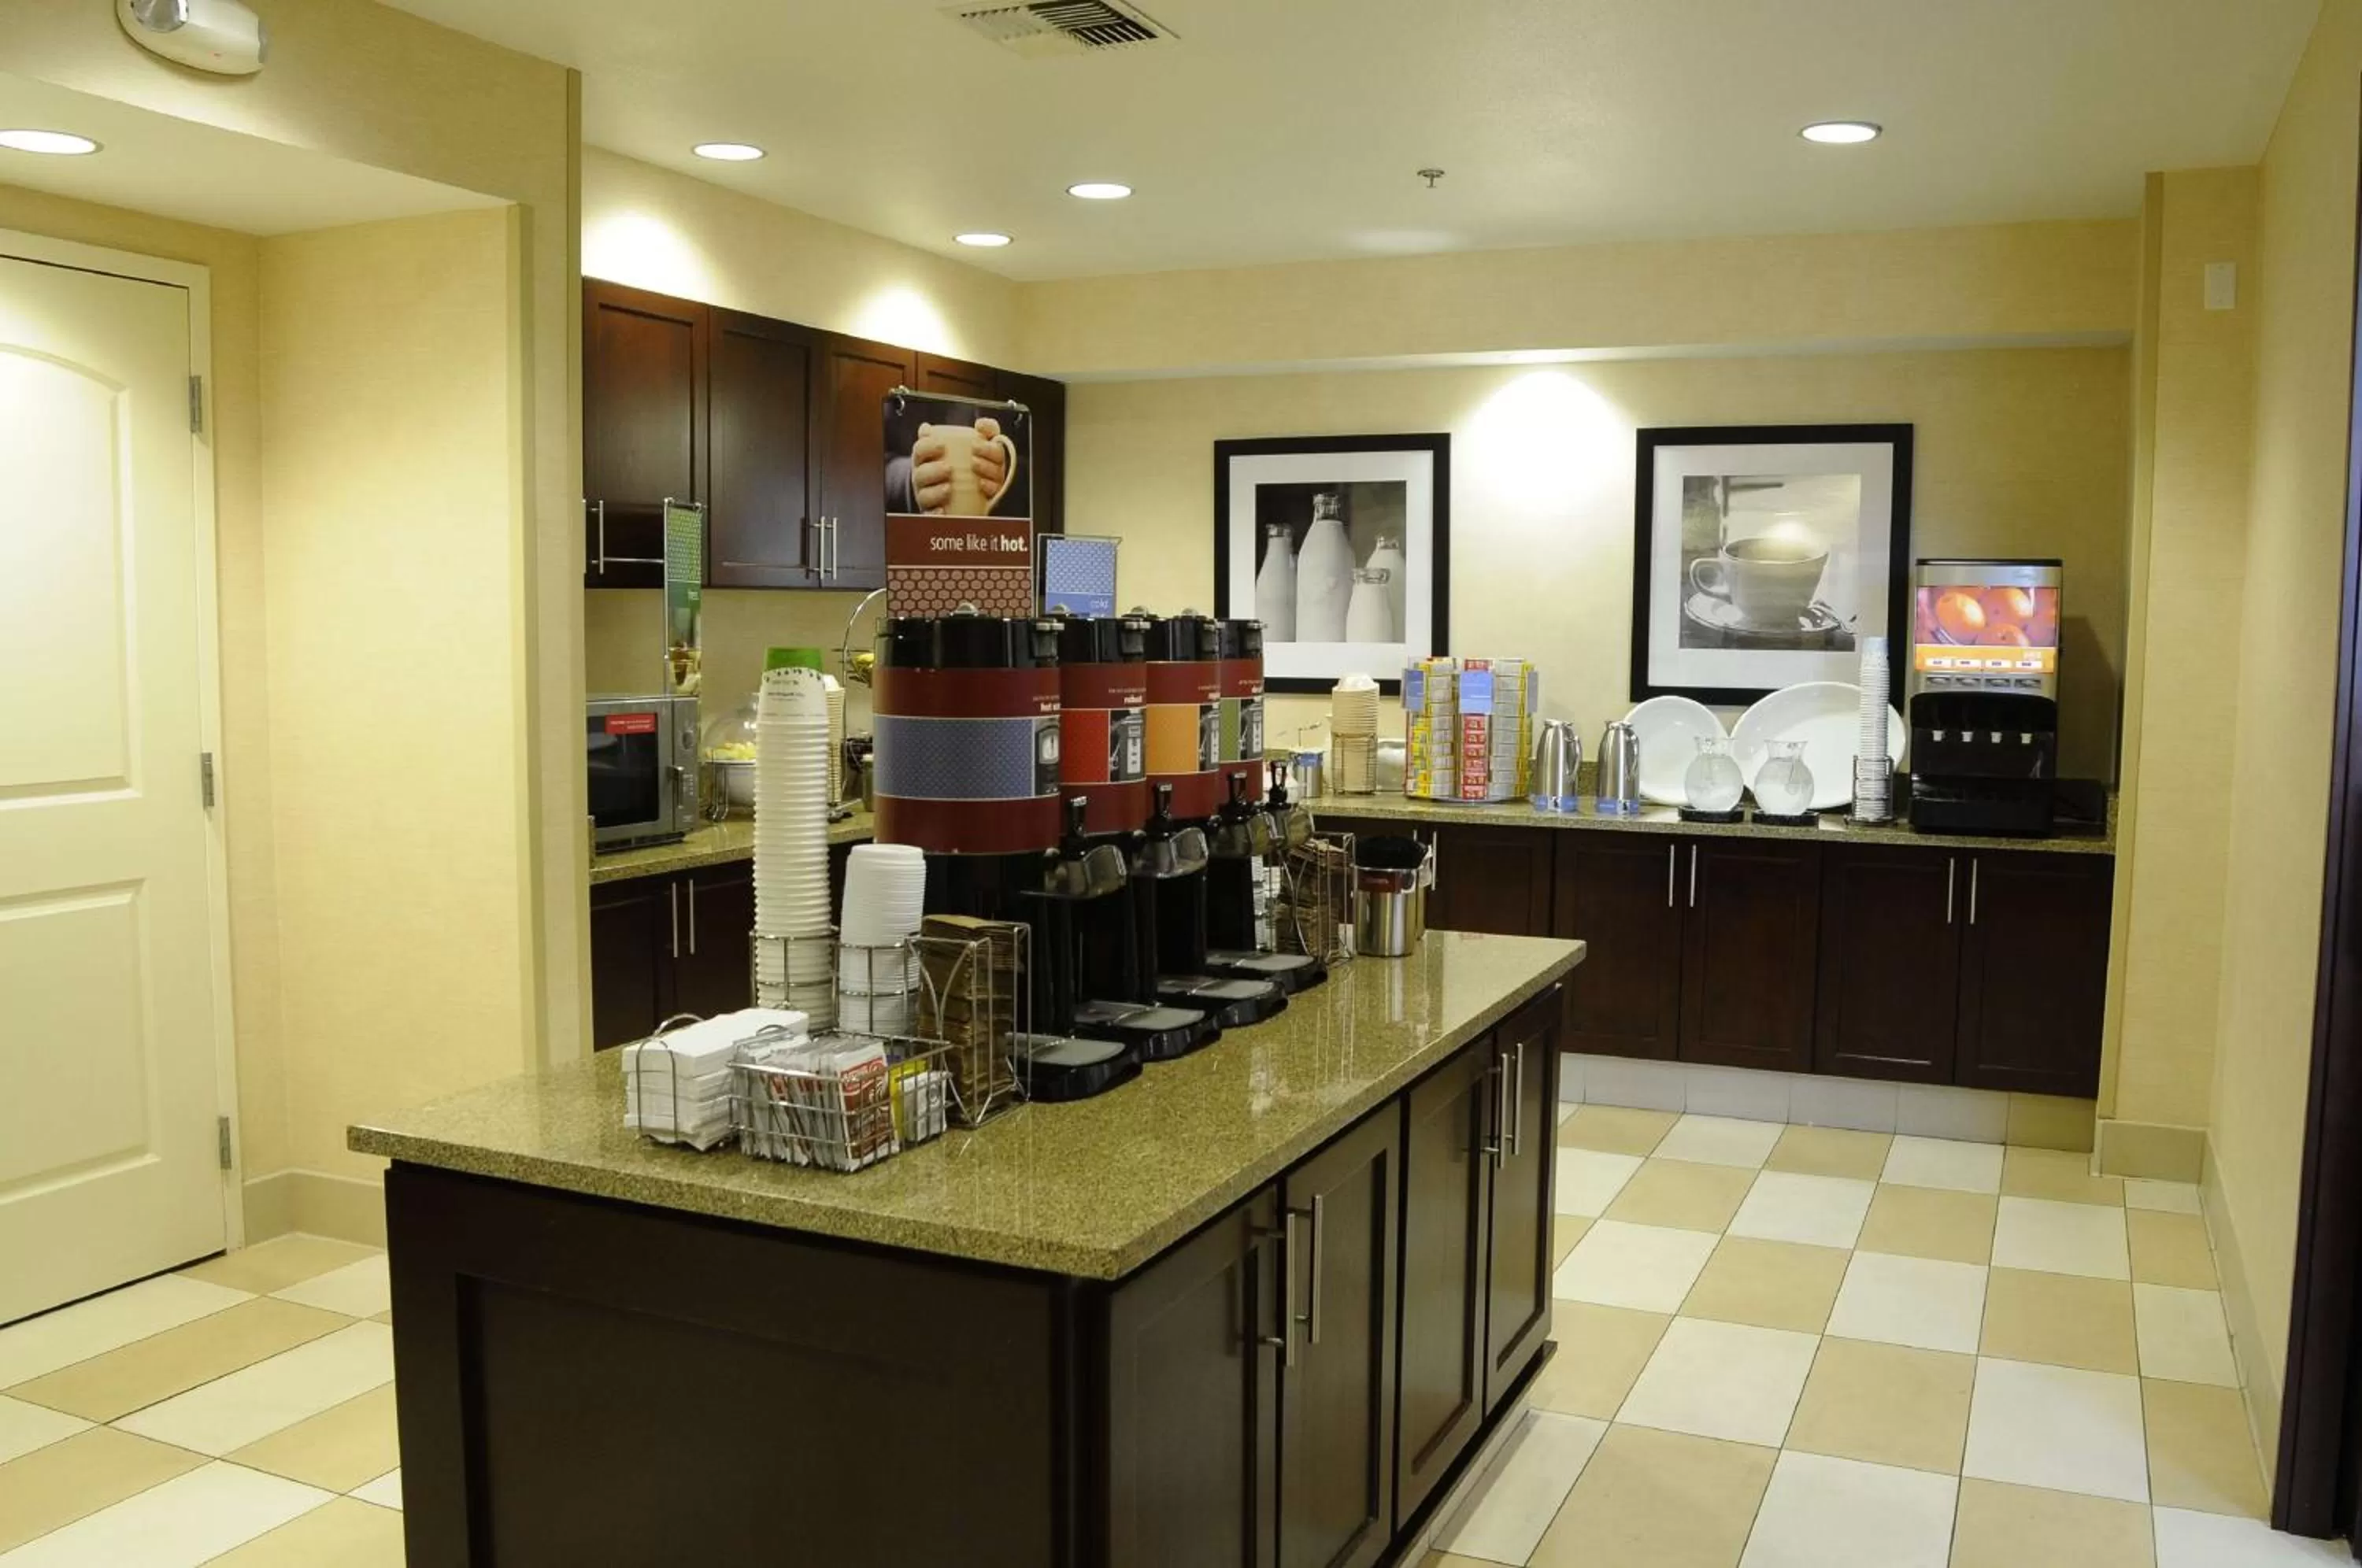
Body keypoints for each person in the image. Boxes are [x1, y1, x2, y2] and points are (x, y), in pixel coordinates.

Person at [886, 406, 1031, 516]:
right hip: (915, 539)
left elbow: (1045, 471)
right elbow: (869, 466)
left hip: (1003, 540)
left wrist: (1007, 476)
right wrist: (915, 477)